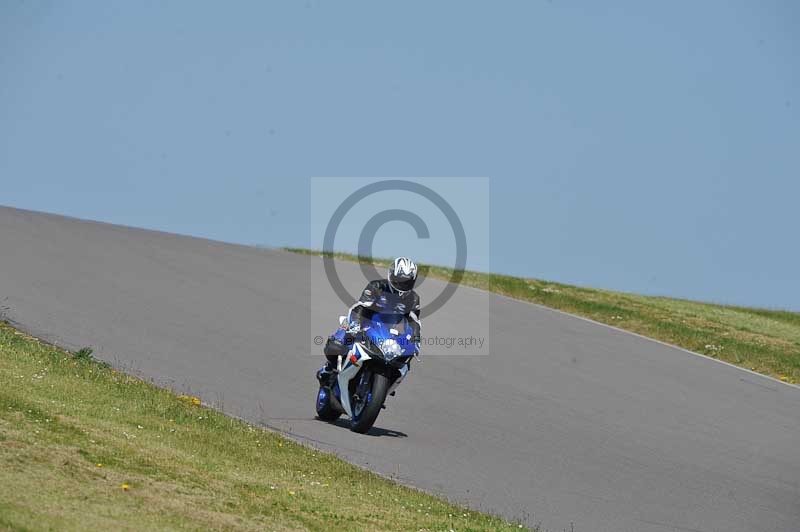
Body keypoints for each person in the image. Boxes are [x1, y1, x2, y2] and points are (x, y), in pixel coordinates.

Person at [317, 257, 421, 385]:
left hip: (388, 331)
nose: (402, 284)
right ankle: (328, 368)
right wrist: (355, 326)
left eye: (407, 281)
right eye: (400, 280)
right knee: (339, 342)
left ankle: (386, 384)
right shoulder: (376, 286)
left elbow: (414, 322)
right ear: (391, 275)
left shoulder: (413, 298)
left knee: (405, 359)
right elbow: (360, 308)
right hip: (365, 322)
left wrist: (415, 340)